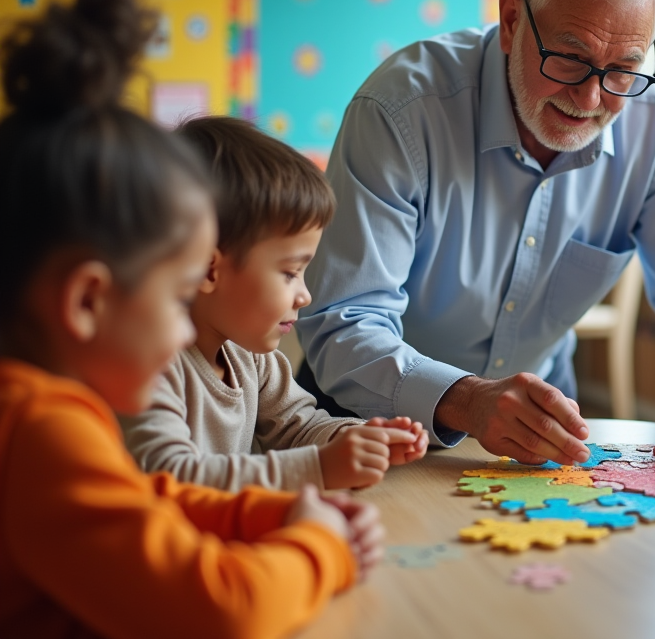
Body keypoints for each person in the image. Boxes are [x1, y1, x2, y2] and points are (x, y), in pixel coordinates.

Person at [296, 0, 655, 465]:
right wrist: (467, 400)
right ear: (512, 20)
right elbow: (343, 322)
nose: (590, 98)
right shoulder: (400, 110)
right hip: (363, 426)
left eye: (623, 69)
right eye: (569, 57)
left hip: (539, 439)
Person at [0, 0, 382, 638]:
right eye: (178, 298)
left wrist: (277, 515)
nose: (184, 330)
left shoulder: (44, 413)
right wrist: (320, 547)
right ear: (87, 301)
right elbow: (225, 609)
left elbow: (152, 499)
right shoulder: (38, 432)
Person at [121, 117, 428, 492]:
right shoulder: (149, 368)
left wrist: (361, 439)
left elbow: (300, 427)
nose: (305, 295)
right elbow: (173, 477)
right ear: (209, 269)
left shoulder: (249, 356)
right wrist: (319, 467)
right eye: (289, 273)